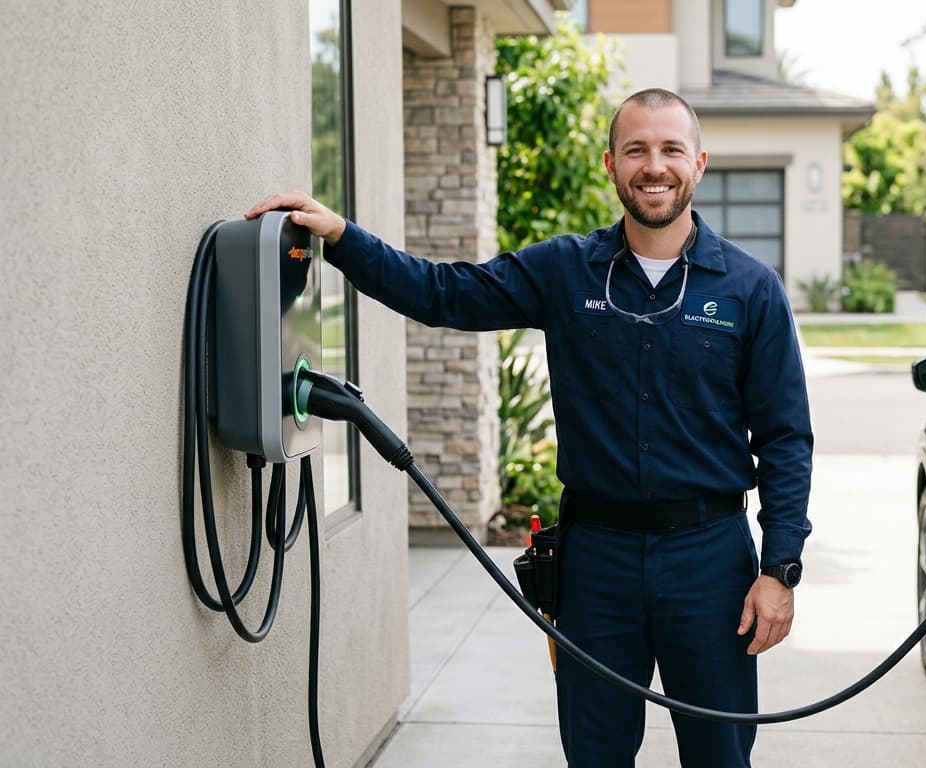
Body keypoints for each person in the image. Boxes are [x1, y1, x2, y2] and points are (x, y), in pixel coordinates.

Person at [246, 87, 813, 768]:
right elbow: (441, 293)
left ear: (699, 161)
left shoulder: (751, 289)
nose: (653, 166)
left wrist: (779, 568)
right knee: (594, 755)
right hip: (596, 564)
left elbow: (784, 438)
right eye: (636, 149)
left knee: (720, 757)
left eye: (669, 149)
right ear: (610, 164)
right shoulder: (564, 269)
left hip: (711, 561)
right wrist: (341, 238)